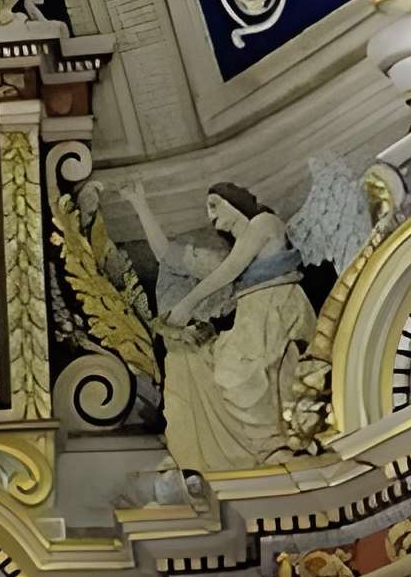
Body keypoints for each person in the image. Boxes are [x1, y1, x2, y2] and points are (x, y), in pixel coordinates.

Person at [126, 180, 314, 474]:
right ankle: (230, 449)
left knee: (236, 375)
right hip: (253, 317)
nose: (211, 216)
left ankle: (274, 444)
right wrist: (139, 204)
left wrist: (187, 305)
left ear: (233, 201)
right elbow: (168, 255)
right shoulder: (237, 249)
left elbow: (230, 270)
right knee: (196, 359)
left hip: (276, 308)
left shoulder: (264, 223)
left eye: (214, 205)